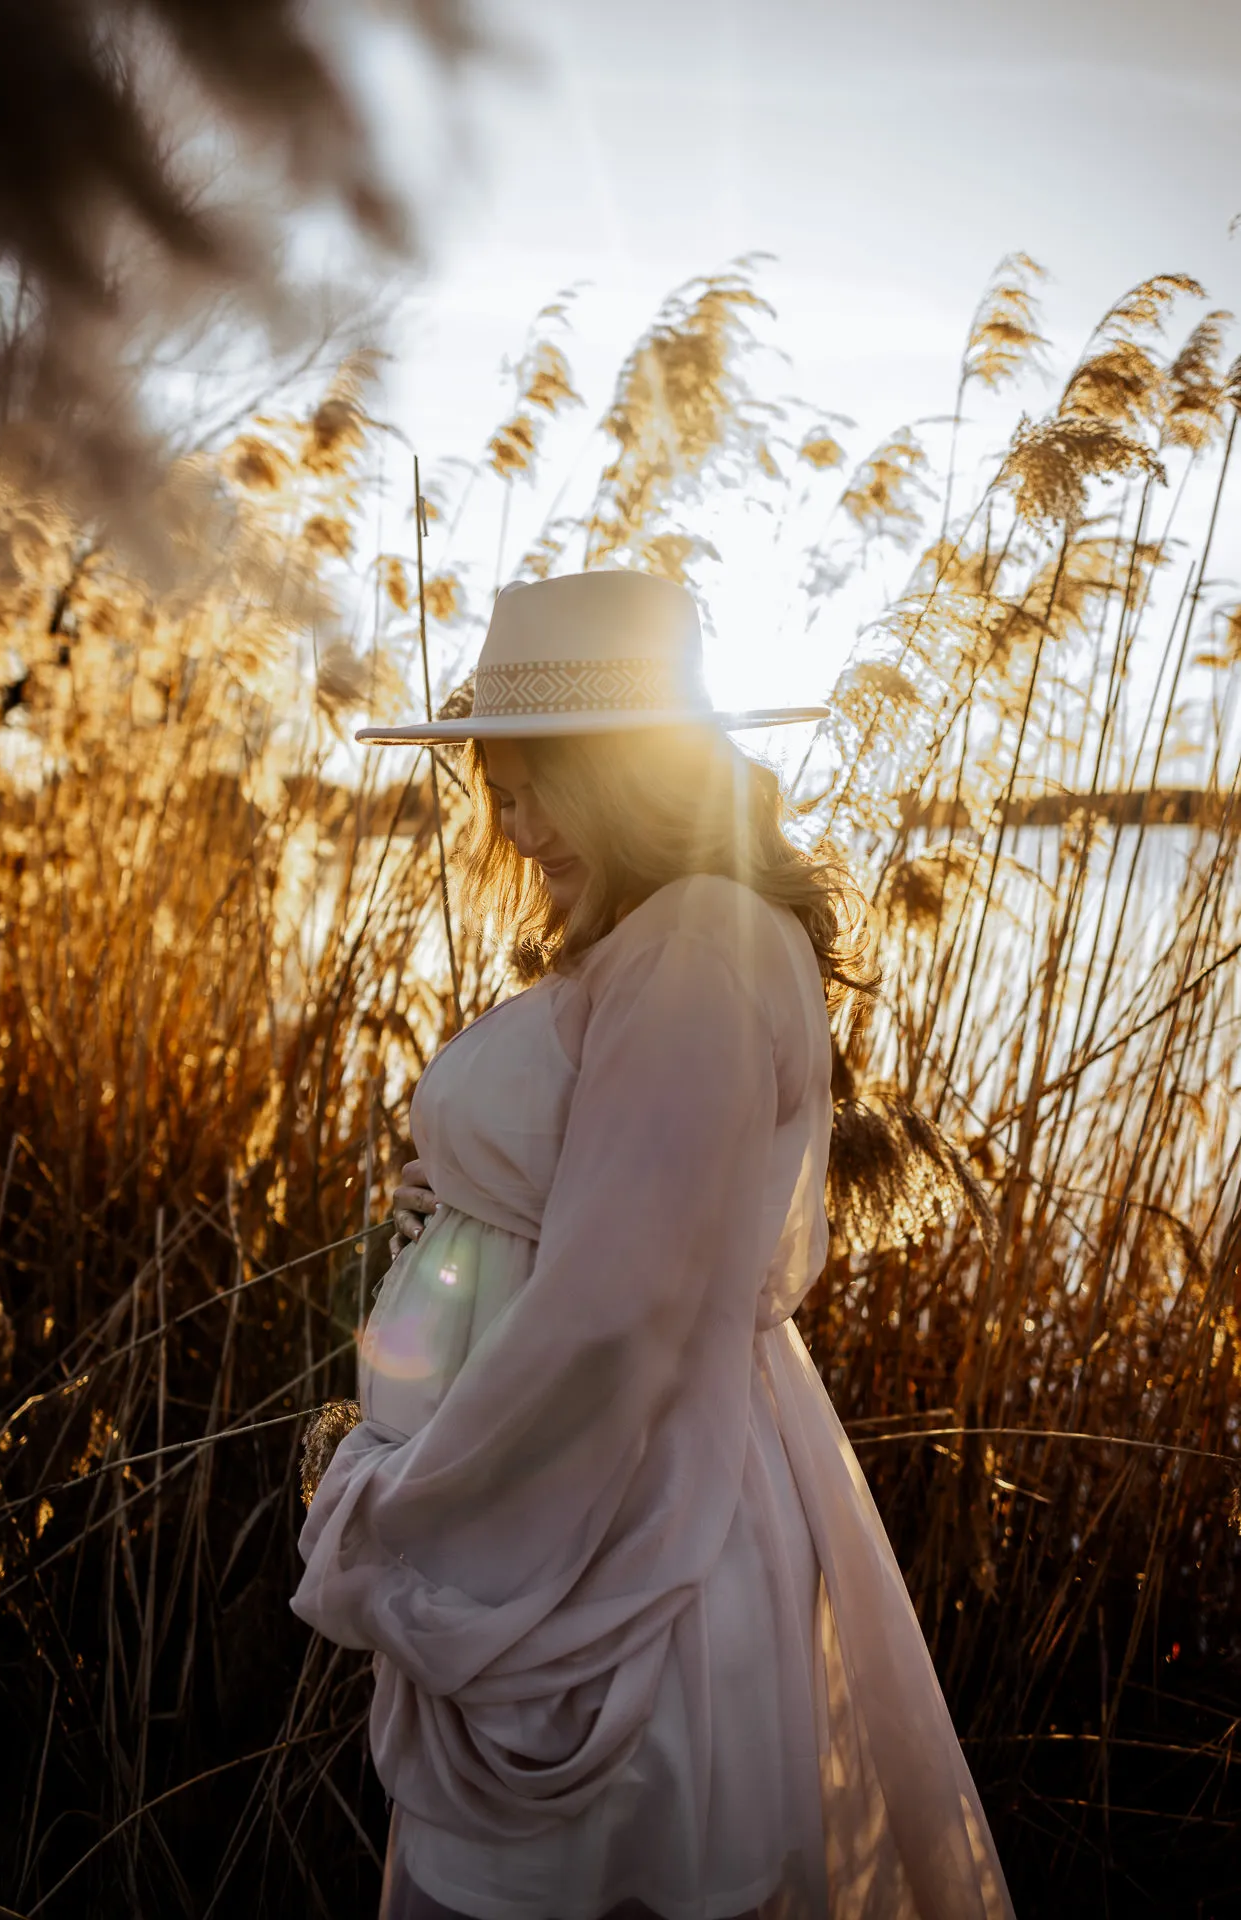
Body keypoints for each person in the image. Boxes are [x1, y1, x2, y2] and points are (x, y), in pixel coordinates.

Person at [290, 569, 1014, 1920]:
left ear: (627, 773)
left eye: (534, 785)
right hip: (580, 1521)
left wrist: (402, 1518)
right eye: (494, 788)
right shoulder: (655, 941)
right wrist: (460, 1204)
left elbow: (620, 1308)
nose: (510, 823)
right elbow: (611, 1207)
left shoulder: (699, 951)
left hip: (614, 1542)